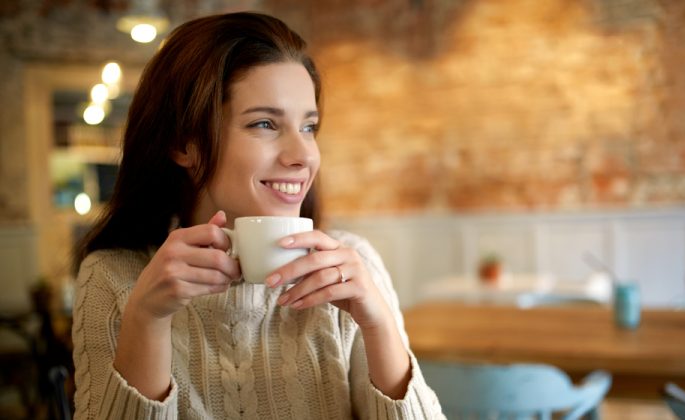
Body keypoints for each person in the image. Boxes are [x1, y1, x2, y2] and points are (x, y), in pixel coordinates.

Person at [72, 12, 445, 420]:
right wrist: (146, 318)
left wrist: (378, 324)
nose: (303, 156)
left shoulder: (352, 266)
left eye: (309, 127)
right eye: (265, 123)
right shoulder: (112, 279)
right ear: (184, 144)